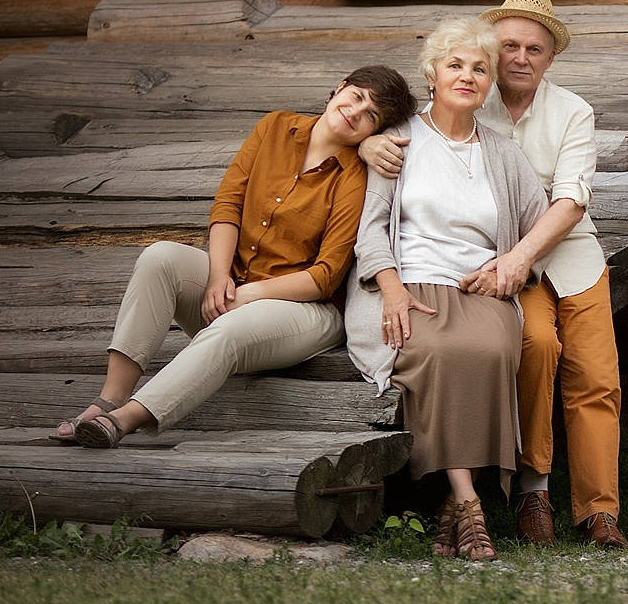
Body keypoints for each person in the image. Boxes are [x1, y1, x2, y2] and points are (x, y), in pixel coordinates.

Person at [362, 0, 626, 549]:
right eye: (509, 47)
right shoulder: (458, 105)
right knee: (535, 346)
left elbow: (569, 200)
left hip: (562, 254)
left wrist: (517, 259)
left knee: (596, 377)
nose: (520, 58)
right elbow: (371, 126)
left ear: (551, 56)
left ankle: (599, 511)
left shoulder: (570, 111)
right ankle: (531, 491)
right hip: (488, 269)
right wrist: (367, 147)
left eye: (535, 48)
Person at [50, 67, 416, 447]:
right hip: (233, 284)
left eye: (371, 115)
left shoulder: (355, 174)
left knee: (230, 328)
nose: (356, 112)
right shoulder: (275, 127)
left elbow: (325, 276)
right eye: (356, 97)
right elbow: (228, 204)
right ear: (340, 88)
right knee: (160, 258)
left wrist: (245, 296)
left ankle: (123, 420)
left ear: (374, 131)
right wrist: (218, 276)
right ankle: (110, 397)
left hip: (305, 310)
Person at [347, 18, 550, 562]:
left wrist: (511, 265)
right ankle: (468, 501)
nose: (467, 75)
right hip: (407, 283)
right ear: (431, 75)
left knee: (492, 350)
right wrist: (389, 290)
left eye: (479, 68)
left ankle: (452, 507)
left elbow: (539, 223)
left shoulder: (504, 155)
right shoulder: (396, 143)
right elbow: (370, 228)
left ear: (489, 85)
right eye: (455, 64)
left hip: (480, 291)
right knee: (435, 351)